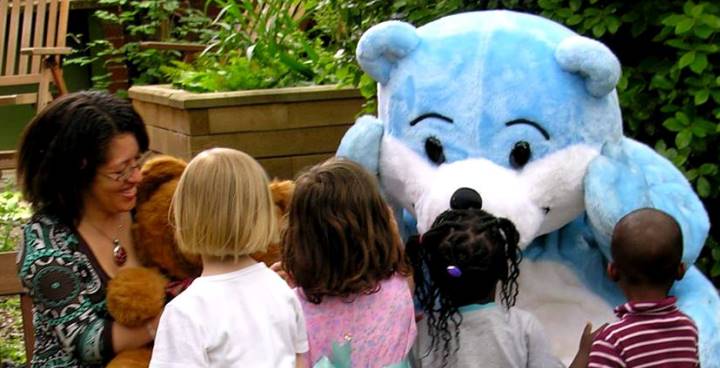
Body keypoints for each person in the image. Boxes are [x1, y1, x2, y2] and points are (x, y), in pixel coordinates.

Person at [16, 91, 157, 367]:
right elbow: (86, 343)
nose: (136, 177)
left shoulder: (150, 208)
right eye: (120, 171)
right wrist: (170, 321)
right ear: (77, 171)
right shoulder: (45, 243)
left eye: (137, 162)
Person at [149, 148, 308, 367]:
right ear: (261, 213)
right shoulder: (280, 290)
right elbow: (300, 360)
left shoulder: (186, 313)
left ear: (184, 216)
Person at [280, 158, 416, 367]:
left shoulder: (291, 307)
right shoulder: (400, 287)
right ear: (378, 225)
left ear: (300, 238)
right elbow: (399, 259)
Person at [407, 207, 562, 368]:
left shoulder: (421, 335)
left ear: (437, 276)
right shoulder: (524, 328)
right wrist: (583, 355)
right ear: (503, 270)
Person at [586, 208, 699, 367]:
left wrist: (583, 354)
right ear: (680, 271)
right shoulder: (688, 329)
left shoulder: (612, 341)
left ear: (613, 271)